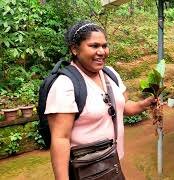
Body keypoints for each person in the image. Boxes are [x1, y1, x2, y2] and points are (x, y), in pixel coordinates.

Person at [44, 21, 155, 179]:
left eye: (104, 45)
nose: (102, 51)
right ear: (74, 49)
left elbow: (122, 107)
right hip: (86, 170)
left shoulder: (110, 74)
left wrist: (143, 104)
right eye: (94, 46)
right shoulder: (65, 85)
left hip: (111, 163)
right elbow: (60, 139)